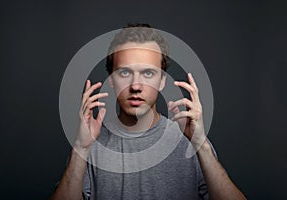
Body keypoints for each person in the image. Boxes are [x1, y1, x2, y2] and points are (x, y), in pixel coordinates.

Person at [50, 23, 246, 200]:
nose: (136, 86)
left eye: (148, 73)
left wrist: (200, 144)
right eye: (125, 73)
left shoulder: (190, 140)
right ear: (110, 80)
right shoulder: (90, 143)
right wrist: (80, 149)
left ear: (162, 81)